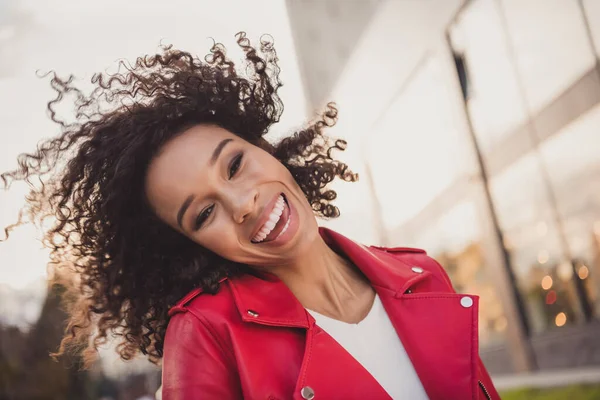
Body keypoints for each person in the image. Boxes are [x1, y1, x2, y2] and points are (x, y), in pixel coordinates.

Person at [1, 33, 500, 400]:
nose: (242, 205)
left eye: (235, 164)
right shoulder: (206, 336)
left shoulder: (421, 275)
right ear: (194, 245)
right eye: (204, 214)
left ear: (265, 146)